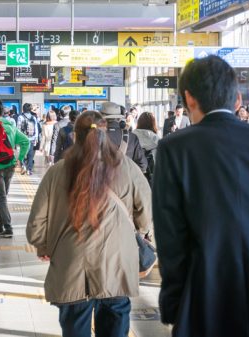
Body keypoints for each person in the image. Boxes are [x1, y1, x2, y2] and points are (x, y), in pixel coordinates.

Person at [153, 55, 249, 337]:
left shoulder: (174, 148)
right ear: (237, 99)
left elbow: (171, 240)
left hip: (204, 291)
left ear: (189, 98)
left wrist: (174, 306)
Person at [26, 111, 152, 337]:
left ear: (75, 136)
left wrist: (44, 246)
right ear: (105, 134)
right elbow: (146, 214)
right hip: (116, 266)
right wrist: (138, 232)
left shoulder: (56, 173)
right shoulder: (128, 168)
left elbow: (35, 225)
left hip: (72, 267)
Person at [0, 100, 30, 238]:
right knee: (3, 196)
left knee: (1, 197)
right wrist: (20, 158)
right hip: (10, 164)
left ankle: (8, 227)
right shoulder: (11, 125)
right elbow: (25, 141)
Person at [101, 102, 148, 174]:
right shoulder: (132, 137)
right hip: (125, 182)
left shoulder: (93, 137)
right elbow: (143, 165)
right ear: (119, 119)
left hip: (100, 183)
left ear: (101, 119)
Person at [132, 112, 159, 185]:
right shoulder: (156, 139)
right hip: (152, 176)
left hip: (134, 174)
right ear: (153, 123)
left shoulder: (132, 136)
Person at [17, 103, 41, 175]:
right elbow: (36, 129)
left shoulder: (20, 117)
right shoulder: (33, 117)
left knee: (23, 153)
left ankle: (23, 166)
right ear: (30, 110)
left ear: (23, 109)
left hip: (23, 139)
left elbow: (18, 129)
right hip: (32, 139)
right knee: (30, 155)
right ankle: (29, 170)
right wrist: (36, 138)